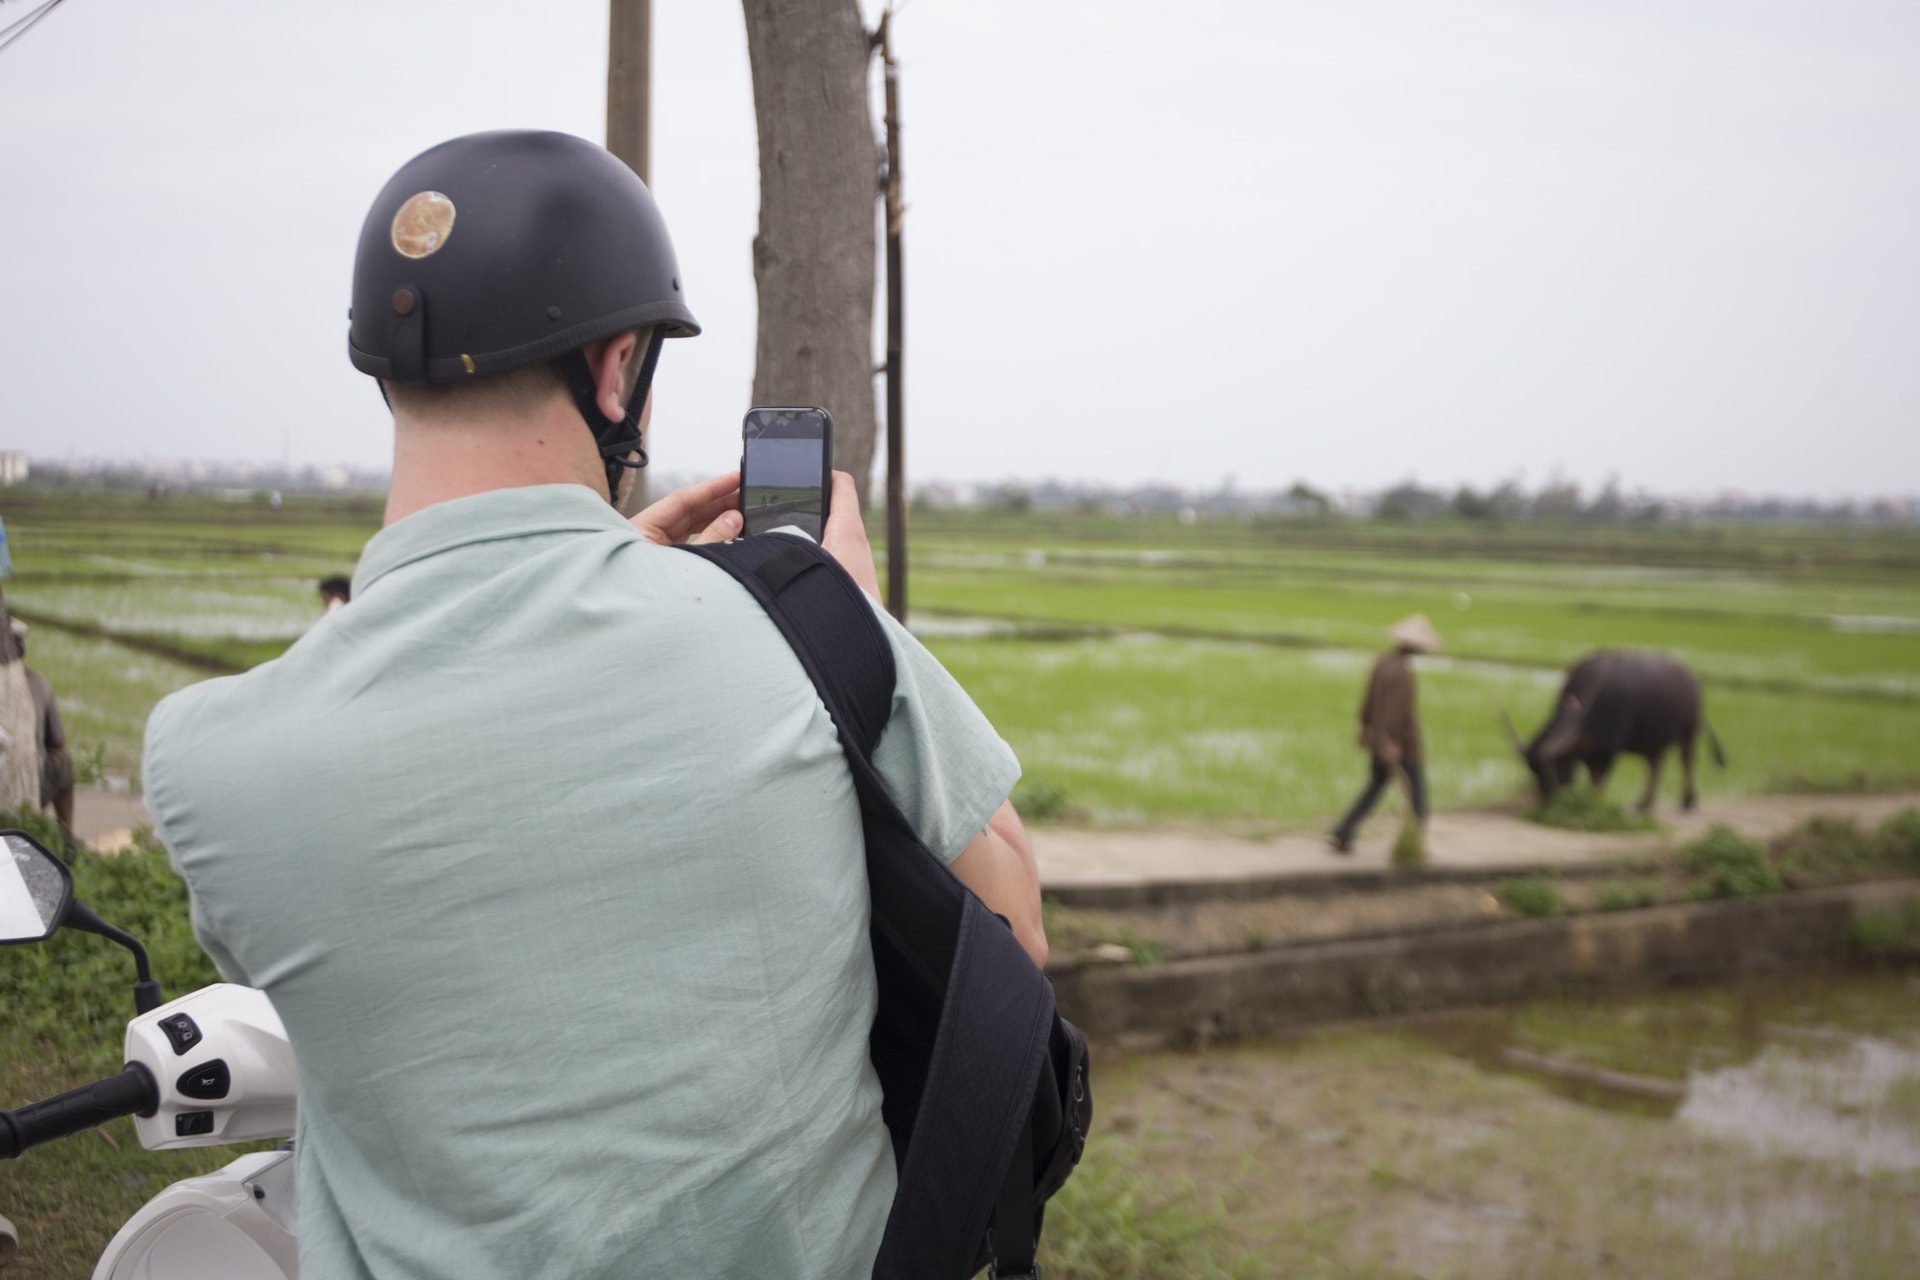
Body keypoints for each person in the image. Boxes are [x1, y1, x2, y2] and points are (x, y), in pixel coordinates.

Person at [142, 130, 1045, 1280]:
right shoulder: (798, 629)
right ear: (617, 366)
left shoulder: (209, 760)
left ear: (381, 368)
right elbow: (1013, 934)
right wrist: (853, 619)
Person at [1330, 614, 1441, 853]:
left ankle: (1344, 830)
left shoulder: (1381, 662)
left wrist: (1364, 727)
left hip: (1379, 739)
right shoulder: (1403, 672)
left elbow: (1368, 699)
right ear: (1416, 646)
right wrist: (1394, 743)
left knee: (1374, 787)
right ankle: (1415, 846)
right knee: (1417, 796)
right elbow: (1397, 713)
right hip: (1402, 745)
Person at [10, 621, 75, 844]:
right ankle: (66, 835)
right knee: (63, 761)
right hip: (29, 784)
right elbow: (58, 743)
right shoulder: (37, 682)